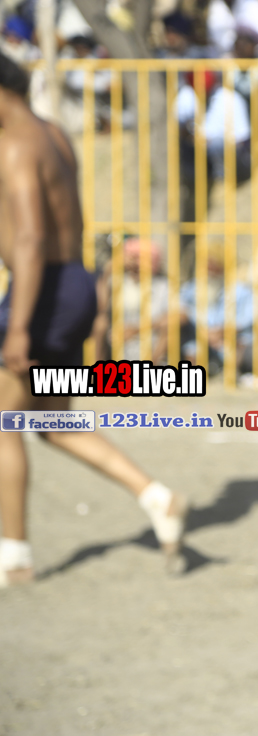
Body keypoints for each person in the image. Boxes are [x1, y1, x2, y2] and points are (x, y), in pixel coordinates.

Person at [0, 53, 189, 586]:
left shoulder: (15, 144)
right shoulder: (54, 135)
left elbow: (30, 238)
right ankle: (156, 497)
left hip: (42, 289)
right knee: (50, 421)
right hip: (72, 283)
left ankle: (14, 557)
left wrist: (19, 326)